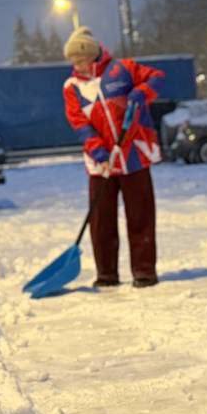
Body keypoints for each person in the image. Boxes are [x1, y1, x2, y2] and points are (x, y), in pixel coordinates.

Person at [62, 27, 164, 288]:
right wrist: (99, 151)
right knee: (101, 220)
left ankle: (144, 271)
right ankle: (106, 274)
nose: (78, 66)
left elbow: (156, 78)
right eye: (74, 62)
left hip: (133, 155)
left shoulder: (123, 69)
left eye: (81, 60)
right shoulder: (72, 87)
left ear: (93, 55)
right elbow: (80, 123)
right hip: (101, 163)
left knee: (140, 215)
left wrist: (142, 93)